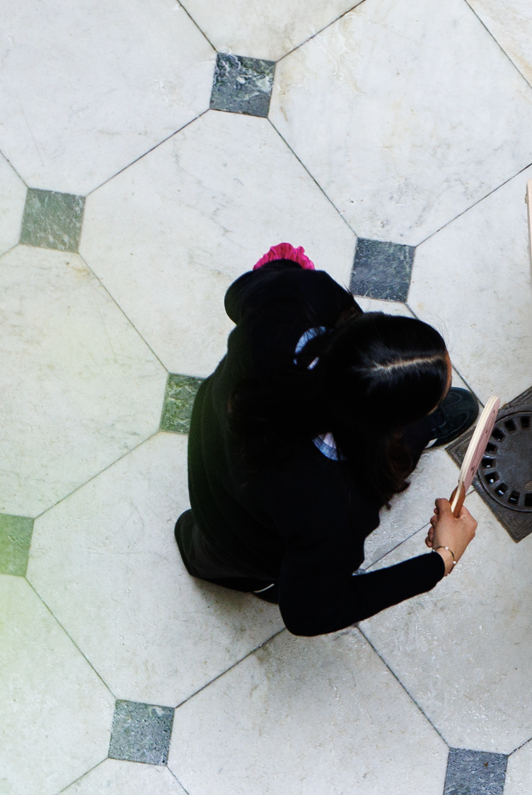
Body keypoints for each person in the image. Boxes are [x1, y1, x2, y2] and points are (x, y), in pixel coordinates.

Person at [175, 244, 482, 636]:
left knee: (220, 531)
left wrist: (291, 278)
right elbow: (309, 614)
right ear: (382, 426)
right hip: (243, 534)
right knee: (223, 553)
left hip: (215, 437)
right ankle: (248, 577)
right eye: (423, 407)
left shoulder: (301, 301)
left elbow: (239, 295)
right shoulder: (337, 506)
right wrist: (442, 559)